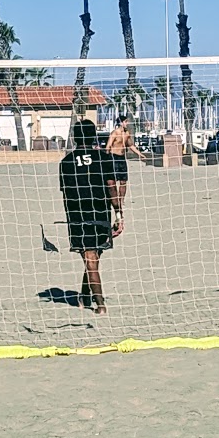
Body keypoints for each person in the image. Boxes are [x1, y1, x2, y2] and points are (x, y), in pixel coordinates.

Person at [59, 120, 113, 312]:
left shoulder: (65, 163)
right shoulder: (103, 158)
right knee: (91, 258)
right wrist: (119, 213)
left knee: (92, 258)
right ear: (94, 136)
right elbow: (111, 186)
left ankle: (84, 296)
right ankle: (100, 303)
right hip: (100, 214)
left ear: (74, 137)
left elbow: (65, 194)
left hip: (78, 216)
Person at [104, 115, 147, 238]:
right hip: (113, 158)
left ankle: (121, 199)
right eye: (125, 122)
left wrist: (140, 154)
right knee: (113, 182)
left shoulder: (127, 133)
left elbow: (131, 145)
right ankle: (116, 199)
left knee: (124, 181)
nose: (126, 124)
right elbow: (108, 147)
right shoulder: (115, 133)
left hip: (122, 159)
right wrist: (105, 159)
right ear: (120, 123)